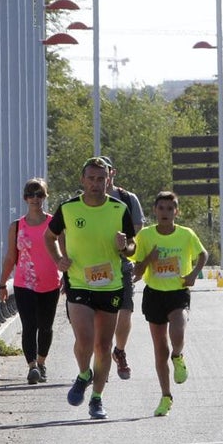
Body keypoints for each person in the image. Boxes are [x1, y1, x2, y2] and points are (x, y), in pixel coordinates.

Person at [44, 156, 136, 420]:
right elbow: (49, 237)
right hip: (79, 282)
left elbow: (132, 246)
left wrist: (124, 247)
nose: (96, 184)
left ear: (109, 180)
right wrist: (58, 258)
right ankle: (84, 373)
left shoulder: (119, 209)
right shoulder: (69, 209)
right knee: (84, 341)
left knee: (104, 345)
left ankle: (96, 398)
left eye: (101, 179)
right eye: (91, 179)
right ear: (82, 180)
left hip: (110, 285)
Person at [131, 191, 207, 417]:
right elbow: (136, 270)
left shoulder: (186, 234)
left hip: (178, 292)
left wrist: (193, 273)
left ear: (177, 211)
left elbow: (202, 254)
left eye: (170, 208)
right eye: (161, 208)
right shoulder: (145, 236)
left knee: (179, 326)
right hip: (154, 293)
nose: (165, 213)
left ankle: (178, 356)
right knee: (159, 349)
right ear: (155, 210)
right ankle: (166, 396)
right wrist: (148, 260)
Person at [0, 178, 62, 384]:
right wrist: (2, 284)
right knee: (29, 325)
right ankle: (32, 366)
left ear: (45, 196)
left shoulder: (55, 224)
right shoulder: (16, 226)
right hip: (24, 283)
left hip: (50, 282)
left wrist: (68, 278)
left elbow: (65, 254)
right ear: (25, 198)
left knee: (46, 326)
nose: (35, 198)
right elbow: (10, 257)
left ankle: (42, 363)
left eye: (40, 194)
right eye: (31, 194)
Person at [100, 156, 144, 381]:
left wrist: (123, 244)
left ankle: (119, 350)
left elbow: (136, 229)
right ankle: (102, 359)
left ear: (112, 173)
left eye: (104, 173)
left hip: (122, 265)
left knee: (124, 312)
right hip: (94, 268)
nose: (100, 179)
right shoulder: (81, 202)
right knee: (100, 318)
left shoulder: (127, 198)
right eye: (95, 175)